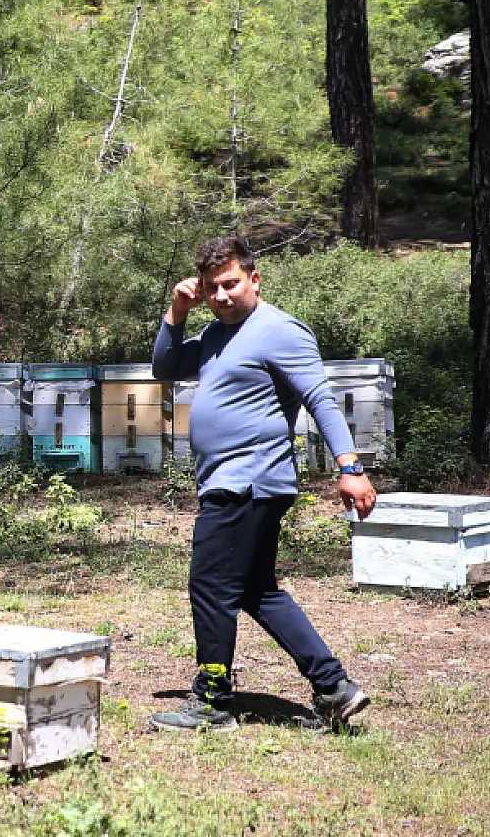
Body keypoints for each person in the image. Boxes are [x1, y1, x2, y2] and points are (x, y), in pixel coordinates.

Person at [149, 234, 376, 733]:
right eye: (211, 289)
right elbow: (164, 368)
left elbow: (319, 397)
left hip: (246, 481)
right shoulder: (214, 335)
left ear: (253, 279)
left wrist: (350, 467)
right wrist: (177, 311)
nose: (222, 296)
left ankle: (212, 702)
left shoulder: (279, 330)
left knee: (209, 587)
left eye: (229, 284)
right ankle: (334, 687)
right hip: (232, 482)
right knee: (256, 590)